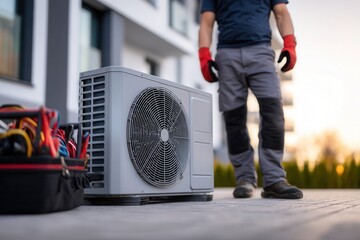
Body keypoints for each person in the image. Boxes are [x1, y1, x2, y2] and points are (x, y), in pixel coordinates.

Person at [198, 0, 303, 199]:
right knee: (233, 118)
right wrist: (204, 55)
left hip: (261, 52)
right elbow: (206, 22)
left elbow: (281, 12)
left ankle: (273, 180)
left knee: (273, 112)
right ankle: (244, 178)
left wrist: (289, 43)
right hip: (227, 55)